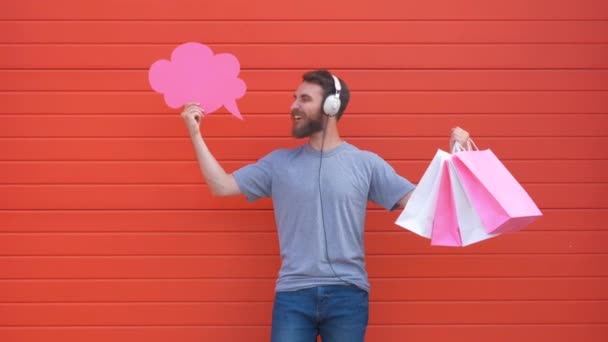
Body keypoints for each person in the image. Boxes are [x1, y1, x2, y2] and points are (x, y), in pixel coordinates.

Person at [181, 69, 470, 342]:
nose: (294, 106)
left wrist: (458, 161)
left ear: (332, 106)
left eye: (304, 99)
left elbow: (425, 205)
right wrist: (195, 135)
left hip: (348, 295)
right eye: (295, 97)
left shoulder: (365, 163)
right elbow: (221, 186)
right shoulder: (278, 164)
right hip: (293, 295)